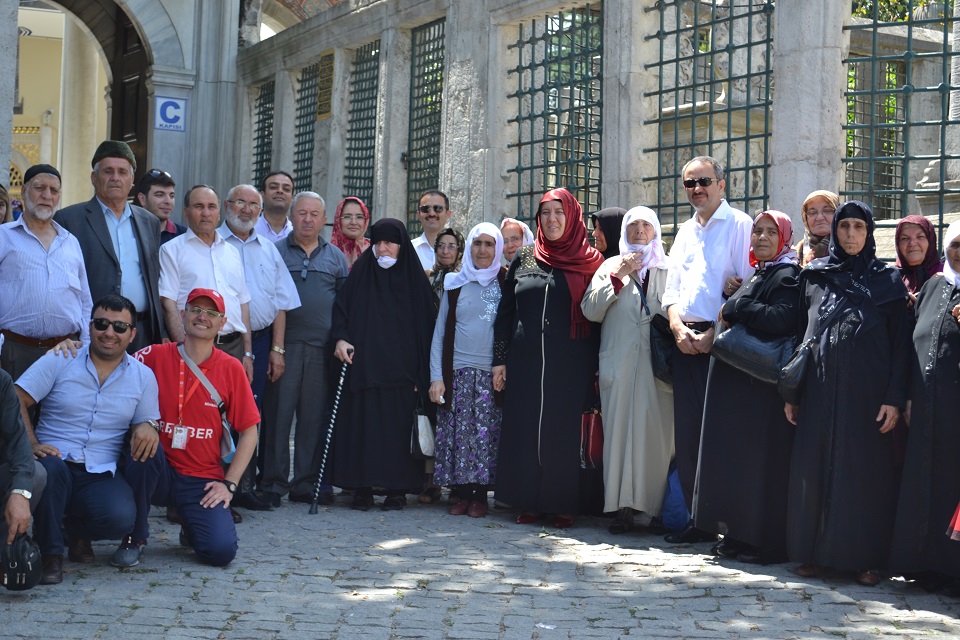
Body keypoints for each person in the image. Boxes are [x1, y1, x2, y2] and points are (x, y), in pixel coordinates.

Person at [784, 200, 909, 587]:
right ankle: (814, 554)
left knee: (864, 474)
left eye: (858, 227)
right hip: (820, 390)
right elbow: (801, 335)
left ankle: (866, 559)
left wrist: (893, 397)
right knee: (817, 468)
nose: (851, 235)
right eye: (844, 227)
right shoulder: (817, 276)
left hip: (868, 396)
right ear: (834, 232)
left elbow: (901, 346)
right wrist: (794, 391)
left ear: (869, 232)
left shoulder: (888, 281)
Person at [16, 295, 160, 584]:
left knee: (119, 518)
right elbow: (15, 400)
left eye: (119, 327)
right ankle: (51, 554)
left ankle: (76, 531)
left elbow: (146, 420)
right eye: (102, 323)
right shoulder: (61, 358)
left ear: (132, 334)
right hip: (54, 459)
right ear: (90, 326)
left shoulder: (143, 377)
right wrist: (31, 443)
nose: (109, 332)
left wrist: (149, 425)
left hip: (100, 469)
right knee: (51, 470)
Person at [120, 289, 260, 567]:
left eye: (211, 313)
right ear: (183, 315)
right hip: (159, 471)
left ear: (222, 323)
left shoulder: (231, 368)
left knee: (220, 553)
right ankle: (135, 537)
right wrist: (75, 347)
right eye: (196, 309)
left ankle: (190, 523)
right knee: (143, 446)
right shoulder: (154, 355)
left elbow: (250, 431)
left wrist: (229, 485)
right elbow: (113, 363)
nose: (202, 317)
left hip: (201, 479)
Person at [492, 188, 604, 528]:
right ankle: (528, 500)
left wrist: (597, 367)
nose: (552, 219)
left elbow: (599, 317)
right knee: (526, 429)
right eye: (545, 213)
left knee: (563, 433)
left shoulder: (590, 260)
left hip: (571, 363)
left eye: (559, 212)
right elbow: (506, 312)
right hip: (526, 363)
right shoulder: (525, 257)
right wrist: (500, 360)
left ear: (572, 217)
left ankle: (562, 504)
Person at [693, 211, 801, 564]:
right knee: (741, 464)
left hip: (760, 390)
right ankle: (740, 535)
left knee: (760, 466)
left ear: (785, 238)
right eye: (758, 232)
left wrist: (739, 304)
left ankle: (764, 544)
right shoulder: (762, 272)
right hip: (741, 388)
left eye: (772, 232)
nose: (763, 238)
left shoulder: (786, 274)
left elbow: (781, 319)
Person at [661, 156, 753, 543]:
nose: (697, 189)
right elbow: (671, 291)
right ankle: (695, 522)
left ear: (722, 184)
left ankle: (728, 525)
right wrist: (676, 326)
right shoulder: (683, 231)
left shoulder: (740, 225)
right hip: (684, 339)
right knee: (687, 436)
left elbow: (747, 286)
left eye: (704, 181)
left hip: (723, 341)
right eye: (689, 183)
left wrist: (716, 332)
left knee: (722, 433)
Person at [330, 218, 435, 511]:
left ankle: (397, 490)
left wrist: (421, 375)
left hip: (402, 376)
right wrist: (340, 339)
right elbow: (341, 311)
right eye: (377, 242)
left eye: (389, 242)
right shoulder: (362, 274)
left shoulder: (415, 282)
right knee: (364, 430)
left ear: (401, 245)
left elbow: (428, 330)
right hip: (364, 371)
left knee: (395, 434)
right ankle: (361, 487)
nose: (382, 248)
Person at [581, 206, 674, 535]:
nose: (638, 231)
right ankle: (621, 509)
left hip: (656, 368)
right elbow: (590, 310)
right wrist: (617, 276)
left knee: (657, 438)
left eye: (645, 226)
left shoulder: (668, 267)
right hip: (618, 365)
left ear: (655, 231)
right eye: (632, 225)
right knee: (619, 437)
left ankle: (653, 511)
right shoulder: (609, 265)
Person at [218, 184, 301, 508]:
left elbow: (281, 302)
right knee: (216, 415)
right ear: (228, 205)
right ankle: (215, 485)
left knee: (249, 415)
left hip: (263, 340)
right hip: (222, 342)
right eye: (241, 202)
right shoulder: (214, 244)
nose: (247, 210)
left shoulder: (269, 249)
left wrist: (277, 351)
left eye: (254, 204)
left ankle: (242, 486)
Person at [889, 220, 960, 595]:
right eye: (956, 244)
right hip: (926, 410)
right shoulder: (934, 286)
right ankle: (926, 564)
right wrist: (908, 398)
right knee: (926, 485)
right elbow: (911, 345)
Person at [262, 192, 347, 504]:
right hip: (283, 346)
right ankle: (272, 484)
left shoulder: (336, 257)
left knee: (312, 420)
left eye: (315, 214)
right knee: (278, 417)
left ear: (323, 219)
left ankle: (305, 484)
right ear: (292, 216)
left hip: (321, 350)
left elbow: (343, 306)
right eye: (302, 213)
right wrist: (276, 347)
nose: (308, 220)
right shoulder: (274, 252)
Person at [55, 140, 164, 351]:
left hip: (140, 334)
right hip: (94, 333)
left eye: (123, 172)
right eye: (108, 171)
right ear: (94, 178)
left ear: (132, 179)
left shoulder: (149, 221)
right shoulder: (69, 220)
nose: (116, 178)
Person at [428, 223, 505, 518]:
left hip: (490, 375)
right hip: (457, 373)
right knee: (458, 436)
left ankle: (480, 497)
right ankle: (460, 494)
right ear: (468, 248)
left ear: (496, 248)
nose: (482, 250)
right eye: (477, 243)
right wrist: (437, 377)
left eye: (488, 244)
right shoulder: (454, 283)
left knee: (483, 438)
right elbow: (439, 335)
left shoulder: (505, 283)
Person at [0, 164, 92, 381]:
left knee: (60, 416)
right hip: (14, 351)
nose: (47, 195)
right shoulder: (4, 237)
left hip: (67, 352)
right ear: (23, 192)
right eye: (39, 188)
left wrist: (87, 347)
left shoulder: (71, 242)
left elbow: (85, 301)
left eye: (54, 190)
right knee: (15, 415)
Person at [159, 185, 254, 376]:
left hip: (233, 349)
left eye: (211, 207)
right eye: (198, 206)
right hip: (195, 348)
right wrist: (185, 350)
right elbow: (168, 303)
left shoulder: (232, 252)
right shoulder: (171, 250)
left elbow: (242, 304)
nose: (205, 213)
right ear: (186, 212)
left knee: (229, 405)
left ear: (219, 212)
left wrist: (247, 353)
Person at [0, 368, 46, 545]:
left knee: (35, 474)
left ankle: (5, 554)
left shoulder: (2, 380)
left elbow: (18, 442)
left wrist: (21, 493)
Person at [894, 214, 942, 306]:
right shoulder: (890, 278)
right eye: (905, 238)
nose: (912, 243)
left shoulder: (947, 275)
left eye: (920, 237)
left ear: (930, 241)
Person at [136, 168, 186, 245]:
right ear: (142, 199)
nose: (168, 201)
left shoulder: (184, 236)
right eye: (160, 195)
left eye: (171, 196)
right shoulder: (130, 232)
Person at [793, 190, 839, 267]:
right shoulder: (797, 251)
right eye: (812, 212)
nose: (819, 218)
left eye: (827, 210)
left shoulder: (846, 248)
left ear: (837, 214)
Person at [412, 190, 453, 270]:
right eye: (425, 209)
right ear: (419, 215)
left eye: (438, 208)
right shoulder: (409, 250)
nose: (432, 214)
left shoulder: (465, 250)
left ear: (447, 214)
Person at [426, 228, 465, 309]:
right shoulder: (426, 277)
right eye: (441, 246)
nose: (445, 251)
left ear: (460, 251)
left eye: (452, 246)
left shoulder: (465, 279)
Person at [330, 196, 371, 271]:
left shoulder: (375, 251)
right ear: (338, 220)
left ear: (366, 220)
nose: (353, 222)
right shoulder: (327, 253)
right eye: (347, 217)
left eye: (359, 217)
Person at [256, 170, 295, 242]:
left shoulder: (297, 233)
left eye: (286, 189)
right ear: (262, 195)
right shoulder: (249, 230)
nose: (280, 191)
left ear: (292, 198)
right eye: (273, 187)